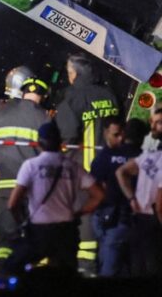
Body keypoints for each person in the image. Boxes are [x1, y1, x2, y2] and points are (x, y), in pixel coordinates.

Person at [7, 121, 104, 272]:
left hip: (39, 232)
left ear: (39, 143)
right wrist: (79, 212)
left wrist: (22, 223)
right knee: (66, 276)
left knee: (12, 267)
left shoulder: (31, 165)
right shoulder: (73, 166)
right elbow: (99, 196)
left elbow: (12, 204)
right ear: (60, 143)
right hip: (66, 231)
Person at [53, 53, 119, 274]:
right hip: (112, 169)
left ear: (75, 74)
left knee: (85, 217)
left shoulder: (72, 97)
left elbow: (66, 135)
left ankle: (85, 267)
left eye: (70, 72)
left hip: (85, 169)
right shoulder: (109, 95)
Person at [0, 70, 49, 265]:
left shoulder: (1, 112)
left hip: (4, 179)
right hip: (32, 184)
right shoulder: (44, 118)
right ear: (42, 96)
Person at [115, 107, 162, 278]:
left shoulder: (150, 156)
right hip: (151, 221)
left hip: (142, 219)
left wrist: (132, 199)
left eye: (159, 123)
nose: (154, 126)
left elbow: (121, 172)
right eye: (153, 122)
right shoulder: (151, 155)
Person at [88, 116, 138, 277]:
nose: (120, 138)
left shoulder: (102, 159)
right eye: (116, 135)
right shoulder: (131, 155)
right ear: (105, 133)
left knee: (108, 267)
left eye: (121, 134)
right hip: (115, 217)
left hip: (116, 218)